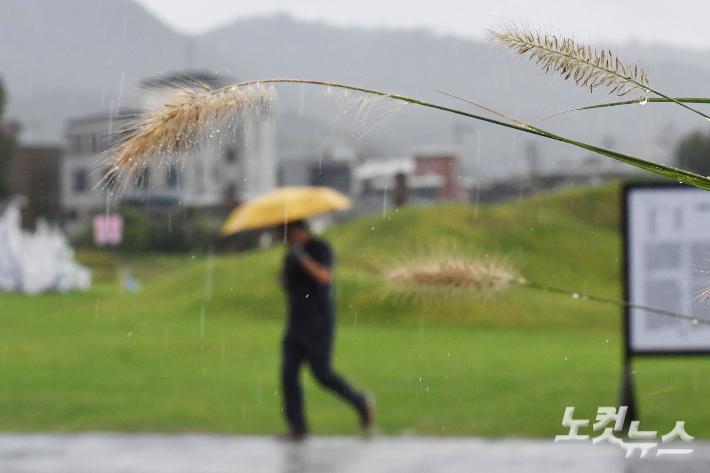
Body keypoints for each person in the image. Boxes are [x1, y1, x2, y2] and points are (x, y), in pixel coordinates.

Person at [279, 219, 372, 440]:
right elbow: (291, 286)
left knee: (321, 374)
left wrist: (302, 257)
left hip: (319, 322)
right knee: (288, 375)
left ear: (300, 231)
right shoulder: (289, 256)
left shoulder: (320, 248)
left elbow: (323, 276)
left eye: (289, 233)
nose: (287, 238)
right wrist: (284, 278)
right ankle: (298, 427)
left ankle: (360, 402)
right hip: (296, 323)